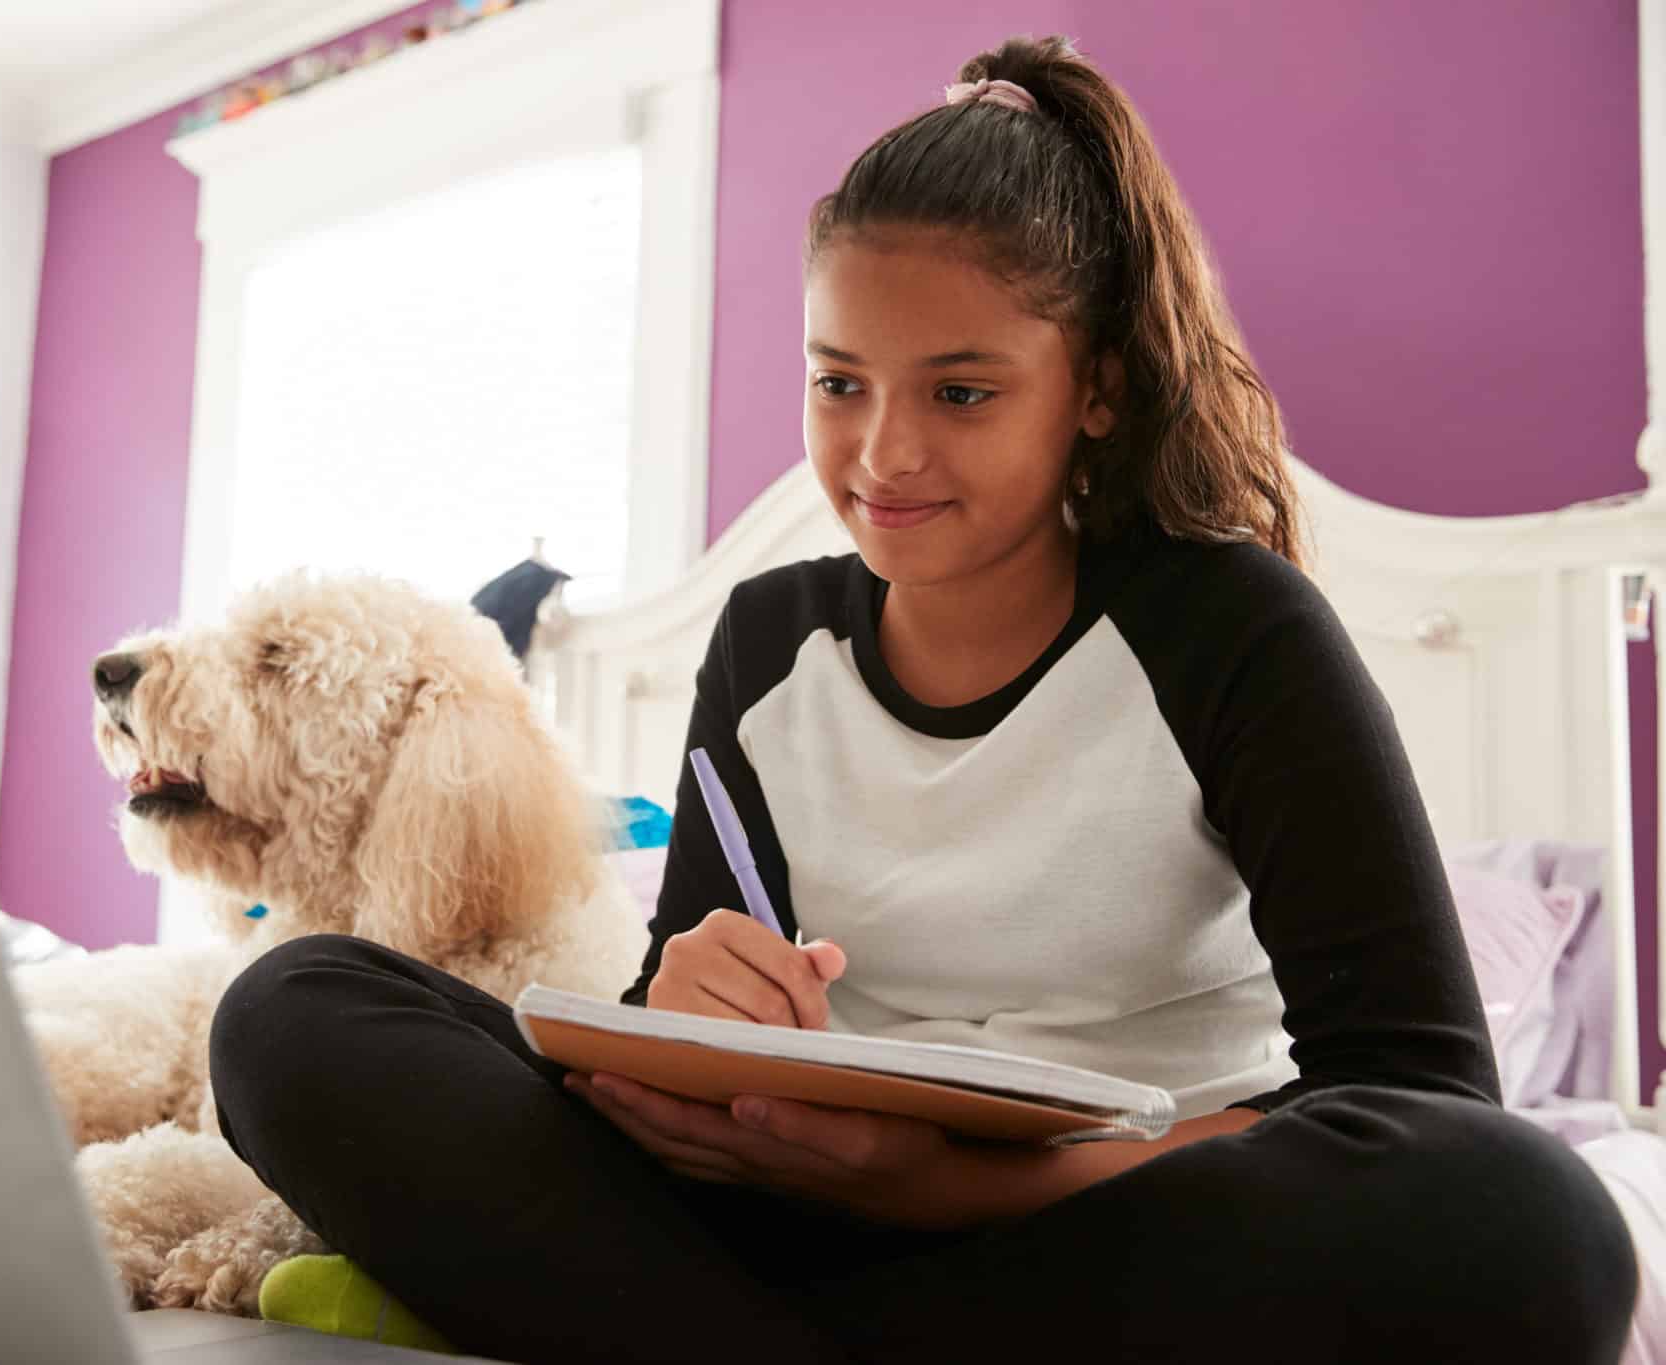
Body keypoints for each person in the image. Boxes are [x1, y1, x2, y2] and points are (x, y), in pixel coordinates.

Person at [208, 34, 1636, 1364]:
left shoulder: (1228, 627)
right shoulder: (769, 643)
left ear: (1096, 386)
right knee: (291, 1007)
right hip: (791, 1211)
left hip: (1110, 1231)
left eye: (960, 393)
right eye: (840, 382)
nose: (882, 454)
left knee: (1532, 1214)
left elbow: (1423, 1090)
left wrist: (947, 1187)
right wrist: (681, 1005)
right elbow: (677, 1029)